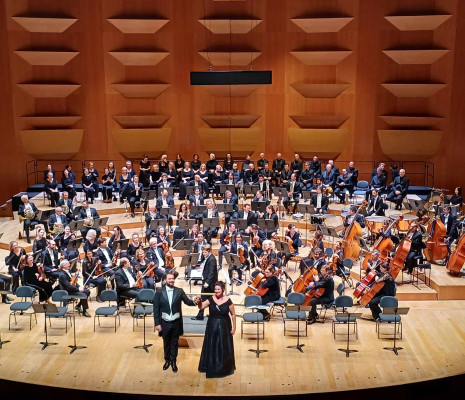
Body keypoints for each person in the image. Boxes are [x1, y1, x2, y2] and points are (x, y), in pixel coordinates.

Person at [153, 271, 199, 373]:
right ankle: (167, 360)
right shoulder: (159, 292)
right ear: (165, 280)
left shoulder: (179, 291)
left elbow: (188, 302)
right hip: (164, 322)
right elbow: (156, 309)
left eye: (173, 279)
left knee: (174, 342)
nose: (171, 280)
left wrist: (195, 301)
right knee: (166, 343)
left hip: (176, 322)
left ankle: (173, 361)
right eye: (169, 279)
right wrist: (157, 323)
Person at [197, 281, 236, 378]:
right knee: (212, 345)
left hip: (225, 326)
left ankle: (224, 368)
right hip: (212, 326)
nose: (216, 291)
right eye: (215, 289)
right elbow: (201, 307)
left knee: (223, 346)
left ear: (222, 290)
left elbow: (233, 314)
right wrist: (199, 302)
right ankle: (211, 366)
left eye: (218, 289)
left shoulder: (228, 300)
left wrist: (234, 327)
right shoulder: (211, 299)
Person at [192, 245, 218, 321]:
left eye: (205, 252)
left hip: (209, 284)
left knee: (204, 299)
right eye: (203, 252)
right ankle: (210, 315)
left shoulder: (212, 259)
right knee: (209, 299)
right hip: (207, 282)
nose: (204, 254)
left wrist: (207, 283)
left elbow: (211, 273)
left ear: (209, 251)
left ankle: (200, 316)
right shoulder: (208, 257)